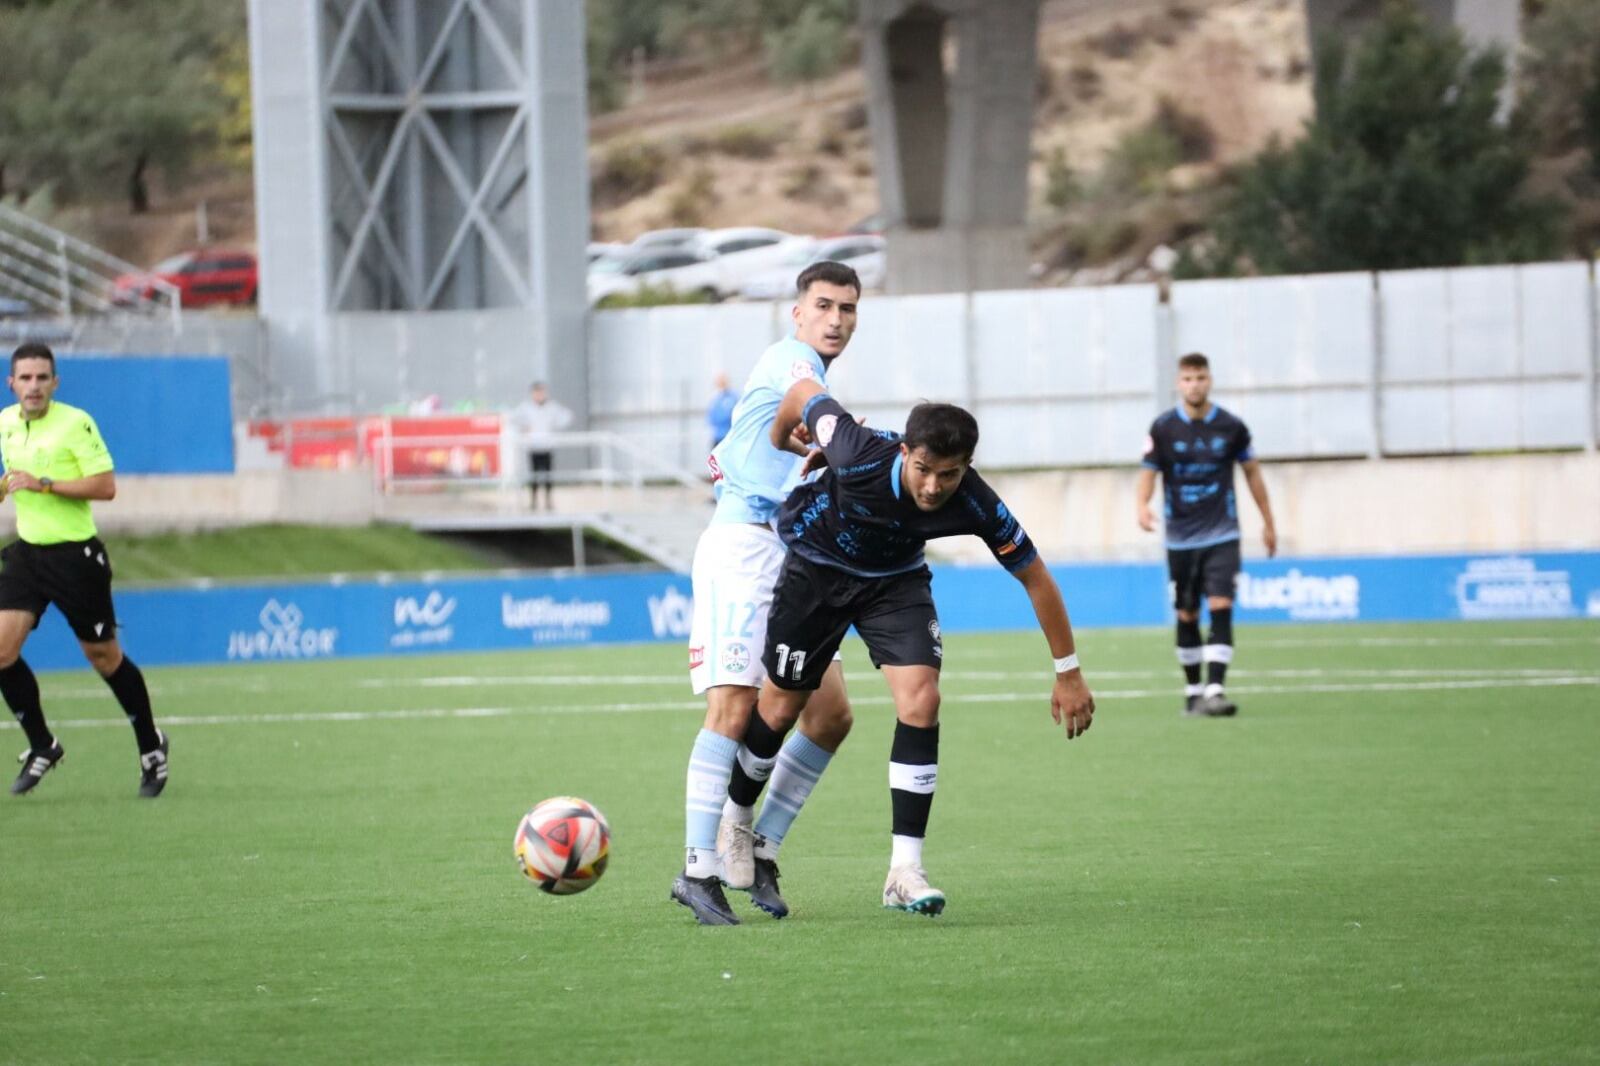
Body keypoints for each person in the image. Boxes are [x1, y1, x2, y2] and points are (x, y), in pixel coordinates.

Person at [733, 381, 1096, 917]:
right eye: (923, 469)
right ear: (905, 451)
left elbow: (1036, 577)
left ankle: (904, 870)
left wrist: (1068, 672)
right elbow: (805, 391)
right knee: (782, 706)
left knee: (922, 700)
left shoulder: (975, 500)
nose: (933, 487)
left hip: (893, 584)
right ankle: (737, 820)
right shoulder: (855, 449)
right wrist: (781, 435)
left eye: (949, 474)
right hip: (815, 569)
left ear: (966, 467)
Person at [672, 262, 864, 926]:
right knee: (732, 707)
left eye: (847, 308)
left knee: (830, 714)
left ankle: (756, 846)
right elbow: (808, 397)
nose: (836, 319)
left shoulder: (819, 381)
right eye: (824, 305)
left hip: (796, 557)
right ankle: (698, 869)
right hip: (744, 547)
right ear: (798, 313)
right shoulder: (791, 360)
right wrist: (846, 434)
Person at [0, 343, 169, 797]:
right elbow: (13, 475)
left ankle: (151, 746)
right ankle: (43, 745)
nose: (33, 386)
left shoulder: (76, 423)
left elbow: (106, 486)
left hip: (76, 557)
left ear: (55, 382)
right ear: (11, 382)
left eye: (42, 378)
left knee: (104, 659)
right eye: (25, 378)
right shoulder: (5, 423)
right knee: (0, 651)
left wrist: (45, 484)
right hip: (27, 555)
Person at [1135, 352, 1277, 718]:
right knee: (1186, 614)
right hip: (1181, 538)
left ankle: (1215, 690)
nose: (1194, 384)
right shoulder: (1163, 428)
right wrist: (1142, 505)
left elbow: (1253, 475)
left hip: (1223, 533)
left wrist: (1268, 521)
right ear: (1178, 384)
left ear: (1209, 380)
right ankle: (1193, 691)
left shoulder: (1231, 427)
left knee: (1221, 606)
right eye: (1187, 379)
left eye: (1200, 378)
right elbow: (1148, 473)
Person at [508, 382, 573, 510]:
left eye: (541, 392)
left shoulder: (552, 407)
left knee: (548, 476)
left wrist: (554, 427)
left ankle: (548, 501)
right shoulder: (526, 407)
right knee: (534, 476)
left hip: (547, 446)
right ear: (533, 394)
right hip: (533, 447)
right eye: (537, 393)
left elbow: (567, 417)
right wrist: (523, 427)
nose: (539, 395)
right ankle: (533, 501)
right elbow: (513, 419)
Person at [706, 372, 737, 452]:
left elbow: (733, 416)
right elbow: (711, 418)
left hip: (729, 438)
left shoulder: (733, 398)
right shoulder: (715, 399)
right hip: (717, 437)